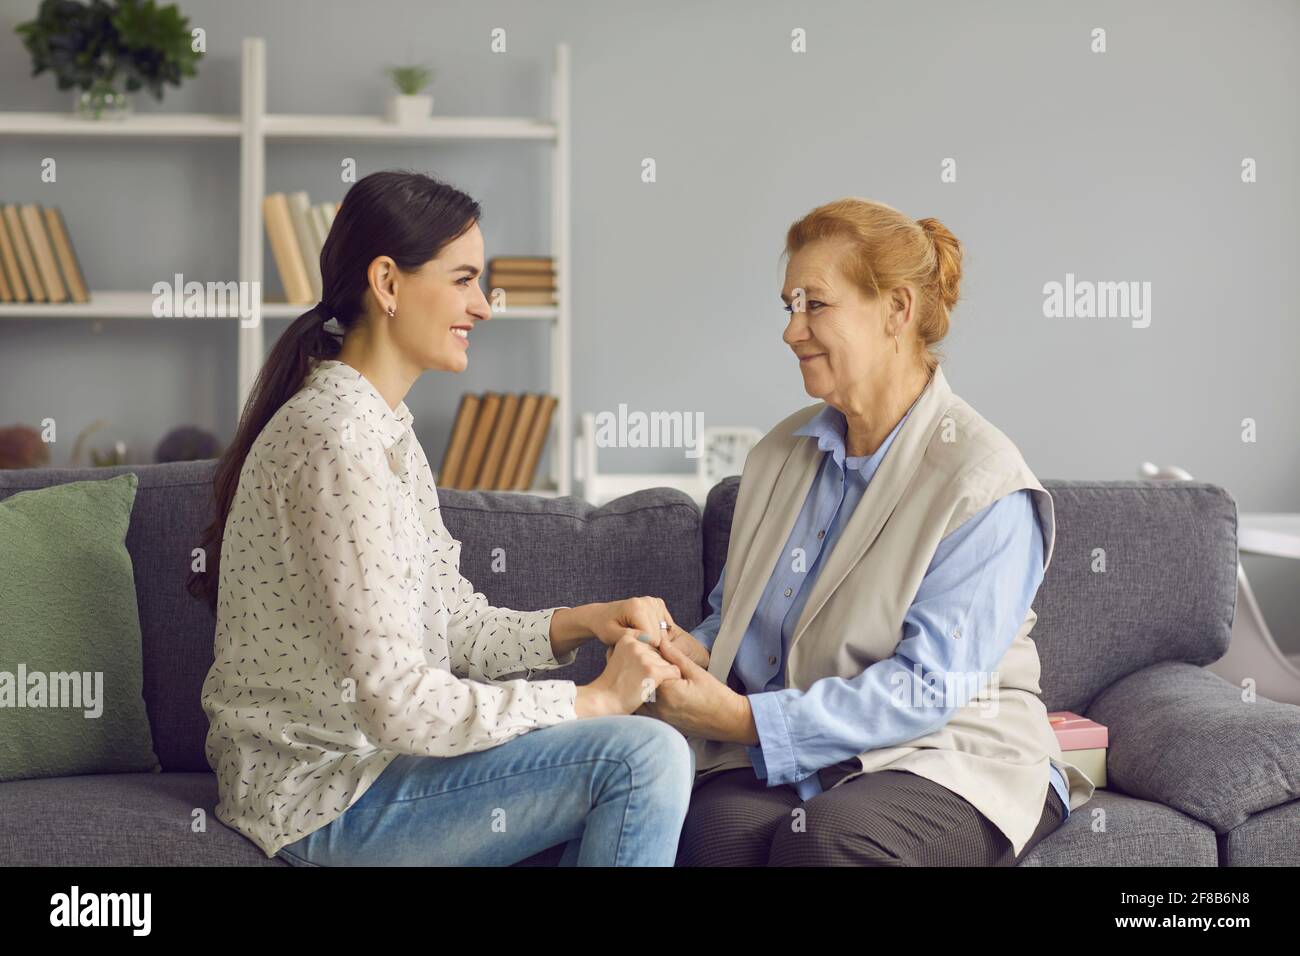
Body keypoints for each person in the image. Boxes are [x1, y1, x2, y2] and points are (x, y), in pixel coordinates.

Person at [189, 170, 695, 866]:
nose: (483, 307)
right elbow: (396, 703)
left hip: (373, 768)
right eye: (463, 280)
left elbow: (453, 626)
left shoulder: (385, 429)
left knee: (640, 749)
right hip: (323, 798)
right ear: (388, 284)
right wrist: (591, 702)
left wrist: (583, 621)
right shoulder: (335, 441)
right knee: (643, 758)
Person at [639, 197, 1096, 866]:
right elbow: (737, 621)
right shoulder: (777, 457)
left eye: (815, 305)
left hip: (952, 753)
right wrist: (692, 652)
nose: (791, 331)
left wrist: (744, 721)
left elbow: (929, 687)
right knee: (715, 832)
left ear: (897, 311)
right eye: (788, 306)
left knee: (832, 840)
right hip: (808, 756)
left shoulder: (982, 477)